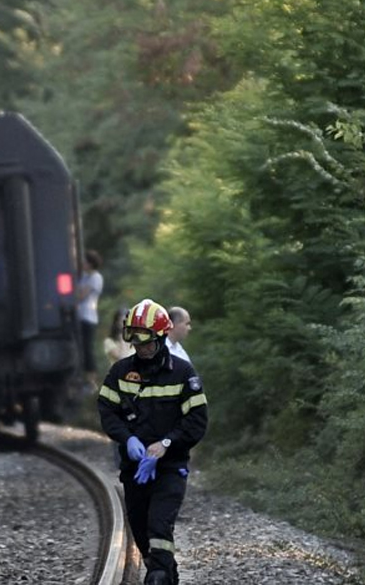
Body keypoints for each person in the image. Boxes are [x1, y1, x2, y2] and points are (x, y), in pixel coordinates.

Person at [97, 299, 208, 585]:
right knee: (141, 529)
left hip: (171, 467)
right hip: (135, 470)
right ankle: (166, 573)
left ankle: (158, 576)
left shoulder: (183, 373)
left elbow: (197, 421)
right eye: (135, 344)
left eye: (146, 343)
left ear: (160, 338)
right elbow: (108, 412)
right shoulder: (120, 373)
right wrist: (127, 438)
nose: (141, 349)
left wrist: (167, 445)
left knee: (159, 527)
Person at [77, 250, 104, 380]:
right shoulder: (85, 277)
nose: (83, 264)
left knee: (88, 348)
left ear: (91, 263)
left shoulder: (96, 278)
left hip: (88, 316)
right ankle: (84, 376)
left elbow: (82, 295)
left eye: (85, 261)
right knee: (81, 347)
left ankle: (92, 377)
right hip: (80, 316)